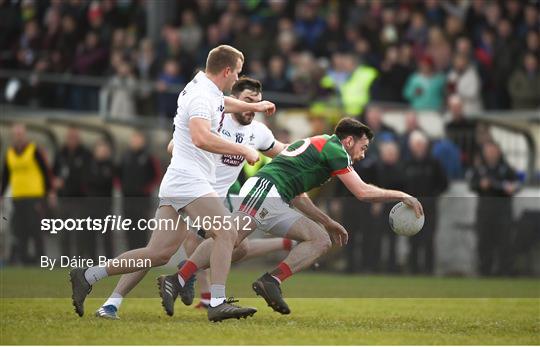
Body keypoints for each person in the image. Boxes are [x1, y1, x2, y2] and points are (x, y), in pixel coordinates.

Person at [69, 45, 277, 322]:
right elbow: (201, 138)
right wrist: (245, 151)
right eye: (237, 72)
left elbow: (223, 103)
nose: (237, 77)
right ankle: (216, 302)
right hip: (191, 180)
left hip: (180, 179)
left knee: (158, 253)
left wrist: (253, 106)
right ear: (227, 71)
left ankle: (88, 275)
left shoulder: (204, 88)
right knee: (227, 233)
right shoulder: (203, 96)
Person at [169, 118, 424, 315]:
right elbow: (362, 191)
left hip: (276, 196)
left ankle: (271, 281)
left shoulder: (324, 147)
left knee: (320, 239)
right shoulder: (335, 149)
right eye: (363, 147)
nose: (363, 155)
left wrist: (327, 221)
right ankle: (181, 277)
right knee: (229, 237)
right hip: (264, 190)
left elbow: (298, 195)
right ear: (348, 141)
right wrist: (402, 195)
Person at [1, 123, 51, 265]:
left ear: (25, 135)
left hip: (34, 197)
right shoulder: (10, 153)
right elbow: (6, 176)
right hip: (17, 197)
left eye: (20, 134)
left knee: (35, 229)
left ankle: (41, 259)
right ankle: (25, 260)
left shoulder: (34, 150)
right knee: (20, 230)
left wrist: (49, 192)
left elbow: (45, 172)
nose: (18, 137)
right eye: (16, 135)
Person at [470, 141, 519, 276]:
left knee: (504, 242)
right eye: (488, 151)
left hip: (503, 212)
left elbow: (516, 184)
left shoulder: (506, 169)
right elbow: (472, 185)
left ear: (498, 152)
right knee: (484, 242)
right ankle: (485, 271)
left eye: (493, 151)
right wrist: (480, 185)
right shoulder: (480, 169)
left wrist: (511, 187)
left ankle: (505, 271)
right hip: (485, 212)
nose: (490, 154)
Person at [404, 131, 448, 274]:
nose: (419, 147)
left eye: (421, 144)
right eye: (416, 144)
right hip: (410, 208)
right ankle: (413, 270)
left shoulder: (434, 163)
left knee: (429, 239)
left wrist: (434, 195)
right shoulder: (406, 163)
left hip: (429, 208)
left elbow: (444, 183)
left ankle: (429, 270)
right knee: (413, 240)